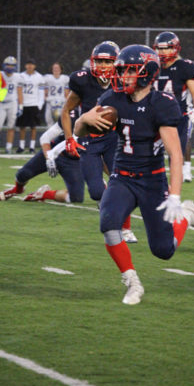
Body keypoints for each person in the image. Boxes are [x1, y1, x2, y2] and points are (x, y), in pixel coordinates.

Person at [74, 44, 194, 305]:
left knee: (163, 251)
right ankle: (132, 282)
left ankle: (187, 214)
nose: (121, 76)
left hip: (152, 179)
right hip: (122, 177)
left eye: (128, 71)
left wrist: (174, 196)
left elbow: (175, 154)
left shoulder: (161, 104)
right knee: (108, 222)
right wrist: (82, 122)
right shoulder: (112, 100)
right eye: (121, 71)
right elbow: (80, 131)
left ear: (147, 73)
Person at [61, 40, 137, 243]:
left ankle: (126, 228)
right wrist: (70, 139)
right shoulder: (82, 80)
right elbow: (66, 111)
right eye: (99, 61)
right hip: (89, 141)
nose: (103, 66)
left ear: (116, 63)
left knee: (123, 181)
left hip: (113, 139)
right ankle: (106, 196)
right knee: (96, 192)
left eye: (108, 62)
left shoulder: (123, 82)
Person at [0, 116, 85, 204]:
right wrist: (49, 158)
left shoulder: (97, 125)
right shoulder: (72, 116)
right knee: (23, 174)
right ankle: (17, 189)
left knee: (76, 198)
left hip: (72, 161)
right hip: (52, 152)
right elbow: (45, 137)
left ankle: (43, 193)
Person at [153, 31, 194, 156]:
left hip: (178, 117)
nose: (163, 52)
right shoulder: (153, 67)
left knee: (176, 154)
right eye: (160, 49)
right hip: (155, 117)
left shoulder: (184, 66)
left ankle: (184, 173)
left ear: (175, 48)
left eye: (167, 48)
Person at [16, 59, 45, 154]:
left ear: (34, 66)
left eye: (31, 65)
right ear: (25, 66)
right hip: (24, 104)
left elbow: (41, 92)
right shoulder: (21, 76)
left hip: (34, 104)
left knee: (33, 127)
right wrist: (20, 105)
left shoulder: (39, 77)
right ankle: (21, 146)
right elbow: (19, 91)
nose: (30, 66)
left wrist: (39, 105)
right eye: (28, 64)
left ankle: (32, 147)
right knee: (22, 127)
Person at [0, 56, 23, 154]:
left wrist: (20, 107)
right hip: (1, 103)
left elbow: (20, 92)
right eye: (8, 64)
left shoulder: (18, 77)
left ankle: (8, 147)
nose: (10, 67)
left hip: (12, 103)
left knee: (11, 126)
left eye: (12, 65)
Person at [44, 62, 69, 127]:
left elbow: (66, 92)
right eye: (54, 68)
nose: (56, 69)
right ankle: (51, 136)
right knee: (49, 121)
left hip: (61, 102)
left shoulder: (65, 78)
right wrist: (45, 97)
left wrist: (66, 101)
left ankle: (61, 136)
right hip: (50, 101)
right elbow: (45, 91)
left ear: (61, 69)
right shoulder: (47, 78)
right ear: (52, 69)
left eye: (57, 68)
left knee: (62, 121)